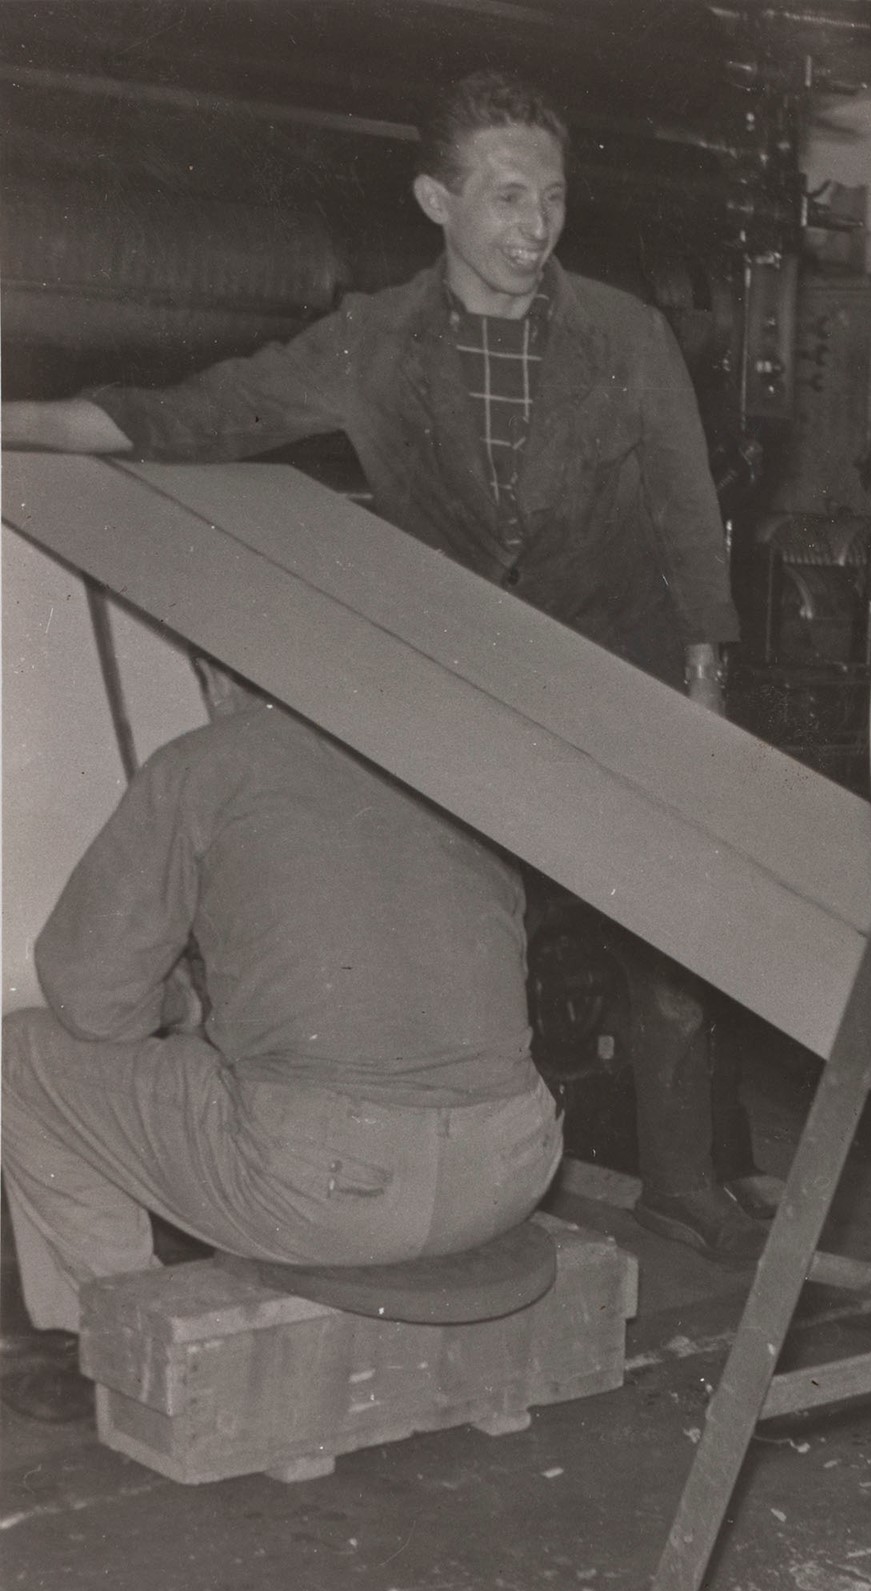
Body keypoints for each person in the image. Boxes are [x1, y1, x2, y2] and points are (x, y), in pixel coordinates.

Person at [2, 69, 765, 1261]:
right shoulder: (375, 342)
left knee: (664, 953)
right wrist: (18, 422)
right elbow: (194, 414)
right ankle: (428, 1150)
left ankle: (684, 1180)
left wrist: (702, 702)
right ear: (435, 202)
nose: (536, 227)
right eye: (506, 198)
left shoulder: (626, 334)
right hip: (452, 694)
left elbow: (685, 519)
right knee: (454, 932)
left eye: (553, 198)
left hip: (611, 682)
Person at [0, 661, 564, 1421]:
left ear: (216, 675)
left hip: (327, 1192)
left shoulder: (206, 764)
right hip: (511, 1169)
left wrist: (178, 1001)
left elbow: (89, 999)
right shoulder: (445, 764)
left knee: (19, 1055)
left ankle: (113, 1335)